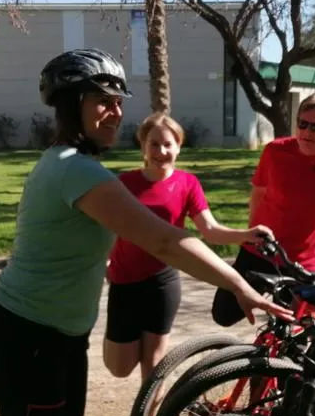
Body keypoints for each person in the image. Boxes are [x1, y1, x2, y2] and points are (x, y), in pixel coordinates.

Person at [0, 48, 290, 416]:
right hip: (28, 340)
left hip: (53, 335)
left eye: (119, 102)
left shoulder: (71, 163)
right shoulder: (76, 169)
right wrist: (241, 287)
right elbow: (163, 239)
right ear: (72, 106)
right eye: (101, 101)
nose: (114, 111)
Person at [103, 111, 273, 387]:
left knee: (155, 362)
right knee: (120, 367)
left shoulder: (187, 184)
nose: (161, 151)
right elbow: (109, 228)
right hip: (124, 282)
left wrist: (246, 235)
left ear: (179, 147)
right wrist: (104, 263)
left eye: (168, 144)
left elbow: (210, 230)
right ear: (143, 146)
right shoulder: (125, 184)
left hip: (162, 282)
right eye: (154, 144)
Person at [211, 93, 315, 327]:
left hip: (301, 264)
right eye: (302, 124)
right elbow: (258, 195)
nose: (307, 132)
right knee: (223, 314)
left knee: (293, 330)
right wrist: (250, 234)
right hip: (259, 251)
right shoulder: (275, 151)